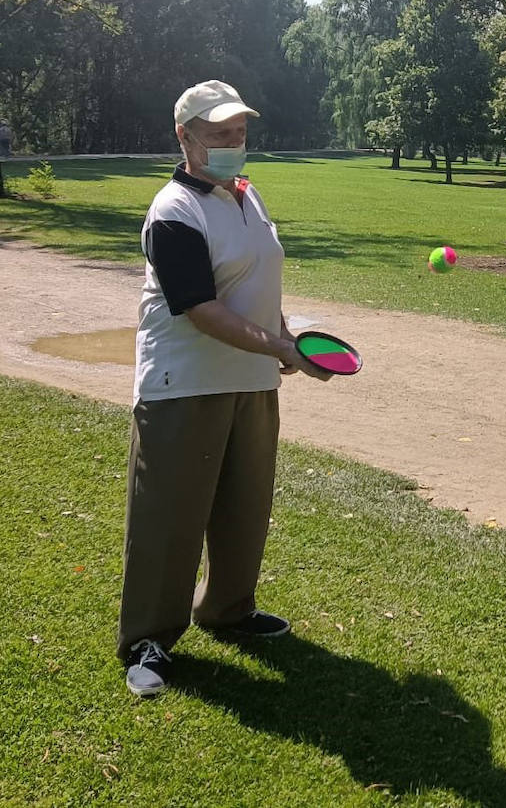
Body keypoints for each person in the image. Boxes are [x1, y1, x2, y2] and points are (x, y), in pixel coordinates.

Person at [120, 79, 333, 699]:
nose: (234, 143)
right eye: (219, 134)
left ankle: (228, 609)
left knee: (244, 506)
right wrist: (279, 347)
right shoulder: (173, 211)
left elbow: (257, 288)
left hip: (252, 377)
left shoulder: (246, 194)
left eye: (239, 132)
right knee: (169, 515)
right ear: (185, 137)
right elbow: (201, 309)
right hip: (183, 384)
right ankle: (149, 639)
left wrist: (287, 336)